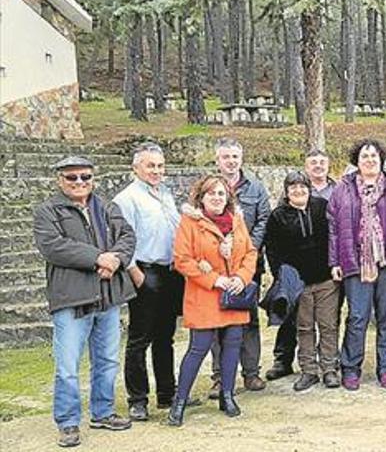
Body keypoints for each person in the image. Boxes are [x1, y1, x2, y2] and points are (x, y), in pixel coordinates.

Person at [34, 157, 136, 448]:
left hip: (108, 295)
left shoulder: (106, 207)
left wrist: (116, 258)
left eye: (85, 177)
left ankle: (102, 412)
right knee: (67, 365)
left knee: (107, 360)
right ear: (59, 180)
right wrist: (97, 258)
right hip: (72, 298)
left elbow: (127, 235)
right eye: (72, 178)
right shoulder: (47, 211)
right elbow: (53, 247)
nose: (80, 182)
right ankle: (67, 422)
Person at [167, 175, 257, 426]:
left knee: (232, 344)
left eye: (221, 193)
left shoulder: (237, 220)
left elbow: (250, 252)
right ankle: (180, 401)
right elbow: (182, 259)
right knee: (199, 348)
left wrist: (242, 277)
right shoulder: (190, 222)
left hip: (234, 293)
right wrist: (214, 280)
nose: (217, 198)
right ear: (201, 197)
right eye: (212, 194)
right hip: (205, 293)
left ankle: (227, 395)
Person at [328, 139, 386, 390]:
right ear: (357, 160)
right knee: (357, 317)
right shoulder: (343, 188)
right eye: (364, 156)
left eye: (374, 156)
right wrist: (335, 260)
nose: (369, 160)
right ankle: (351, 368)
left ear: (381, 160)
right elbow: (333, 227)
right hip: (354, 262)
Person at [113, 142, 185, 421]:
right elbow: (122, 239)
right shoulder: (127, 198)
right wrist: (134, 272)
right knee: (139, 338)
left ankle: (167, 393)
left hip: (169, 272)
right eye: (150, 165)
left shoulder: (164, 194)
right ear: (136, 168)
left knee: (165, 337)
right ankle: (138, 400)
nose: (156, 170)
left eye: (159, 165)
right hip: (144, 271)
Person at [265, 171, 341, 392]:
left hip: (326, 280)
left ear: (309, 188)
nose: (298, 191)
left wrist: (336, 264)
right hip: (299, 283)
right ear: (287, 192)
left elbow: (334, 237)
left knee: (328, 325)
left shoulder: (322, 207)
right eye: (293, 188)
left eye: (302, 187)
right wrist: (282, 276)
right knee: (305, 327)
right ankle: (309, 370)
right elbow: (273, 250)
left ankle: (329, 368)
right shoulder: (278, 216)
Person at [208, 138, 270, 396]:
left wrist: (245, 249)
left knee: (249, 319)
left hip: (248, 264)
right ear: (217, 160)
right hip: (217, 266)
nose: (231, 161)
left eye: (235, 156)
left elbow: (264, 219)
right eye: (226, 157)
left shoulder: (255, 187)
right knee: (218, 321)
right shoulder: (209, 188)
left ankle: (251, 372)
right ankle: (221, 377)